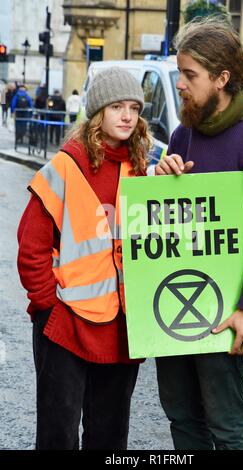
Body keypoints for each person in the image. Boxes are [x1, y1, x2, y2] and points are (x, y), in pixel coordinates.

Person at [154, 16, 243, 450]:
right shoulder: (182, 135)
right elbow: (165, 222)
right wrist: (162, 178)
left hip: (225, 309)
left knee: (225, 420)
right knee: (180, 414)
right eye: (179, 73)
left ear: (222, 78)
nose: (180, 84)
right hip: (173, 305)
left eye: (189, 75)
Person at [17, 67, 152, 450]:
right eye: (116, 107)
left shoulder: (142, 171)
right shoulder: (65, 166)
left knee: (110, 438)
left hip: (123, 326)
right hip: (65, 323)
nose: (127, 116)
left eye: (133, 108)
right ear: (97, 113)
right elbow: (31, 246)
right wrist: (47, 305)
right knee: (58, 437)